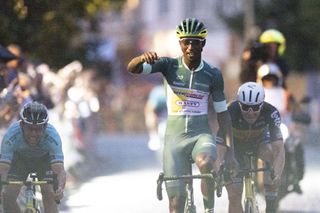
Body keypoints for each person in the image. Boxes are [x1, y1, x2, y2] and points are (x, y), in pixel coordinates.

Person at [127, 17, 238, 213]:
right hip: (174, 140)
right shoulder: (168, 66)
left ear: (203, 43)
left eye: (195, 42)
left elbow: (223, 115)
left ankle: (208, 210)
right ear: (180, 43)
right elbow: (132, 68)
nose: (190, 46)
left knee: (206, 163)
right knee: (176, 204)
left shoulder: (213, 74)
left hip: (201, 136)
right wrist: (141, 58)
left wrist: (229, 151)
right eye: (186, 41)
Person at [216, 82, 285, 213]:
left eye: (255, 107)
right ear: (239, 103)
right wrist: (219, 168)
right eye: (246, 107)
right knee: (234, 196)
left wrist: (277, 174)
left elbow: (279, 148)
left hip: (259, 142)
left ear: (262, 104)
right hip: (235, 147)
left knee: (270, 154)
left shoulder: (271, 112)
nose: (250, 112)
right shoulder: (229, 111)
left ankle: (270, 203)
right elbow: (220, 145)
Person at [0, 102, 66, 213]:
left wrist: (60, 188)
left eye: (38, 129)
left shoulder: (53, 137)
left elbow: (59, 170)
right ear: (22, 125)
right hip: (19, 160)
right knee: (7, 197)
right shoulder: (11, 136)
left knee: (49, 195)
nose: (33, 134)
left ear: (45, 126)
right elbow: (3, 168)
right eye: (30, 128)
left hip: (43, 161)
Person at [144, 84, 167, 153]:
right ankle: (153, 136)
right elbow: (149, 108)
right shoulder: (159, 92)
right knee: (150, 114)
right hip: (163, 118)